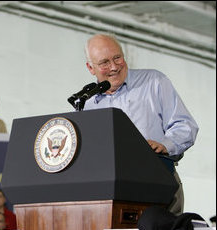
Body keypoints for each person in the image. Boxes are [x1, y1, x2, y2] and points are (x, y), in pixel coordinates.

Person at [82, 33, 199, 215]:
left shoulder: (154, 81)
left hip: (157, 178)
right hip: (108, 192)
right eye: (104, 62)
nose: (114, 67)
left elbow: (185, 125)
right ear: (91, 68)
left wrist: (165, 145)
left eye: (117, 58)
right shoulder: (87, 103)